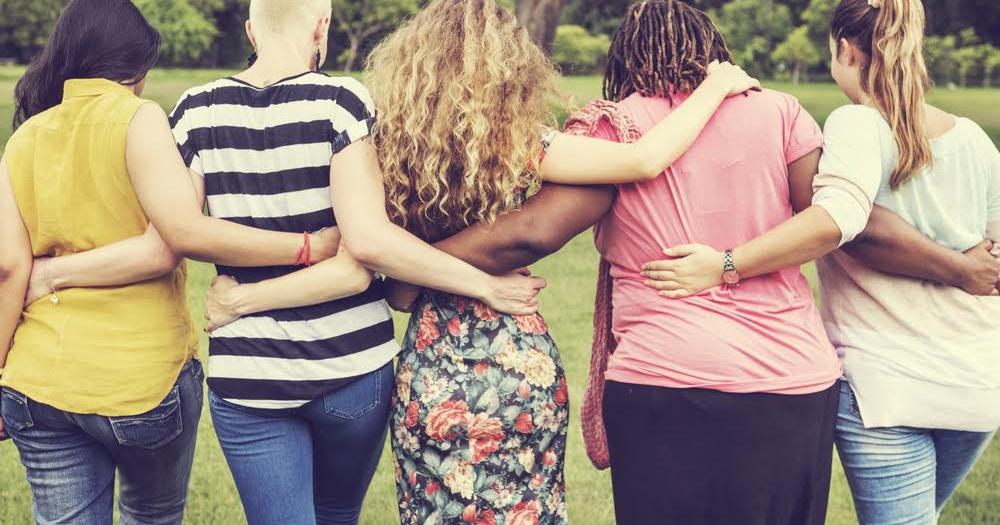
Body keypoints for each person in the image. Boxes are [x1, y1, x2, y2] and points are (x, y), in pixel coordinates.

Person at [16, 1, 550, 524]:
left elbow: (178, 232)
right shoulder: (343, 102)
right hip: (351, 367)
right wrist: (485, 285)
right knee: (337, 514)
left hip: (249, 374)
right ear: (322, 26)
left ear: (251, 32)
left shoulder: (195, 110)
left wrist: (238, 299)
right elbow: (367, 244)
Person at [646, 0, 1000, 523]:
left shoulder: (856, 123)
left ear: (846, 51)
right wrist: (963, 268)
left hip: (886, 386)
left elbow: (839, 217)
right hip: (977, 383)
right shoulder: (974, 140)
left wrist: (725, 263)